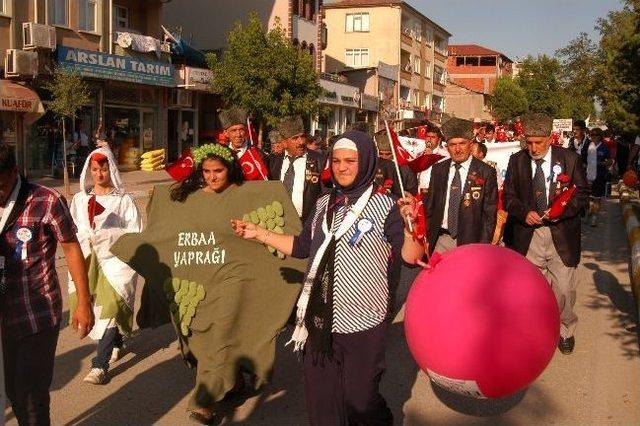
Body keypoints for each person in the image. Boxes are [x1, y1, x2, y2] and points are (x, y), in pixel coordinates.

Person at [232, 130, 425, 426]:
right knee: (322, 403)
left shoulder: (388, 207)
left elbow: (411, 258)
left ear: (367, 163)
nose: (342, 167)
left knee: (361, 401)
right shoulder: (323, 204)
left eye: (350, 160)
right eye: (336, 160)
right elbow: (301, 247)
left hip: (363, 322)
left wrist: (411, 225)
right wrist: (259, 234)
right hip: (319, 321)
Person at [0, 143, 94, 425]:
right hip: (4, 319)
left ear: (14, 172)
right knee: (14, 393)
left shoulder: (46, 199)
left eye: (1, 186)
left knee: (31, 398)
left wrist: (83, 303)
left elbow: (72, 248)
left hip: (36, 314)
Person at [503, 113, 589, 355]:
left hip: (561, 235)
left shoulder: (570, 159)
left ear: (550, 139)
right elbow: (509, 197)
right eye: (528, 142)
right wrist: (524, 212)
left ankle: (565, 329)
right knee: (531, 290)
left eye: (538, 142)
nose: (533, 148)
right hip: (528, 236)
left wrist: (560, 212)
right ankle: (534, 331)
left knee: (564, 289)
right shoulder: (516, 161)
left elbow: (582, 194)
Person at [69, 148, 142, 385]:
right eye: (95, 170)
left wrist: (109, 234)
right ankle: (117, 340)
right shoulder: (80, 200)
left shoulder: (124, 201)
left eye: (104, 169)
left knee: (112, 304)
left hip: (116, 261)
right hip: (90, 260)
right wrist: (87, 237)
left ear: (111, 169)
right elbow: (72, 231)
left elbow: (136, 232)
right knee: (97, 309)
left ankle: (99, 365)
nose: (100, 174)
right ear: (89, 172)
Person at [424, 117, 498, 254]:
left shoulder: (486, 172)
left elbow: (489, 215)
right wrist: (427, 237)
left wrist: (482, 247)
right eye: (453, 145)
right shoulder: (438, 170)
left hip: (470, 242)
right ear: (447, 147)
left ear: (471, 144)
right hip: (440, 240)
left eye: (462, 143)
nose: (458, 149)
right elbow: (430, 207)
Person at [268, 116, 326, 223]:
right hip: (280, 221)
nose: (301, 142)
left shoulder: (319, 160)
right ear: (284, 142)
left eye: (302, 137)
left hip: (308, 223)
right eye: (295, 138)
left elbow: (326, 193)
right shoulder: (273, 162)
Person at [219, 107, 269, 181]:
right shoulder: (220, 155)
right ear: (226, 133)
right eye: (234, 130)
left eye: (241, 130)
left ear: (246, 131)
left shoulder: (259, 155)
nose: (238, 134)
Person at [372, 130, 419, 197]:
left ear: (394, 152)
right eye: (381, 154)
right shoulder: (374, 165)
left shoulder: (406, 168)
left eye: (388, 154)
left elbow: (412, 192)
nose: (384, 157)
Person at [581, 128, 611, 227]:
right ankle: (589, 213)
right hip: (588, 175)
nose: (593, 137)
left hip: (600, 176)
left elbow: (610, 161)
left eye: (596, 135)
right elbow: (582, 160)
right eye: (592, 135)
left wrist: (602, 163)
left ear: (600, 136)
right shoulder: (587, 146)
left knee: (597, 198)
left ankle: (594, 218)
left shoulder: (604, 147)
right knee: (589, 198)